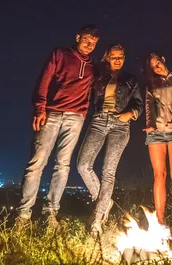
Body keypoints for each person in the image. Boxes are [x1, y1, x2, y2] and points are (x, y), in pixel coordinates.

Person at [15, 25, 100, 229]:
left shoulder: (93, 67)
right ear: (78, 37)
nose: (89, 46)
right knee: (37, 162)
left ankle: (51, 212)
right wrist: (39, 108)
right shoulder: (60, 54)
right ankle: (23, 215)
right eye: (86, 40)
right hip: (51, 113)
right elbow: (44, 80)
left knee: (63, 165)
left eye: (94, 43)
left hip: (75, 118)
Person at [77, 44, 143, 235]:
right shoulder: (98, 75)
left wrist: (130, 113)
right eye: (113, 56)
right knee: (83, 165)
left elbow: (138, 103)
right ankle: (105, 201)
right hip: (98, 120)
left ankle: (97, 219)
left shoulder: (130, 80)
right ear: (107, 58)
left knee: (108, 172)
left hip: (120, 125)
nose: (117, 59)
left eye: (120, 56)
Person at [143, 52, 172, 237]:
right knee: (158, 175)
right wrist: (150, 124)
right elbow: (148, 105)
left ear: (164, 59)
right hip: (156, 134)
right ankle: (160, 224)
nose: (157, 67)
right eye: (153, 66)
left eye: (158, 62)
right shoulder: (151, 85)